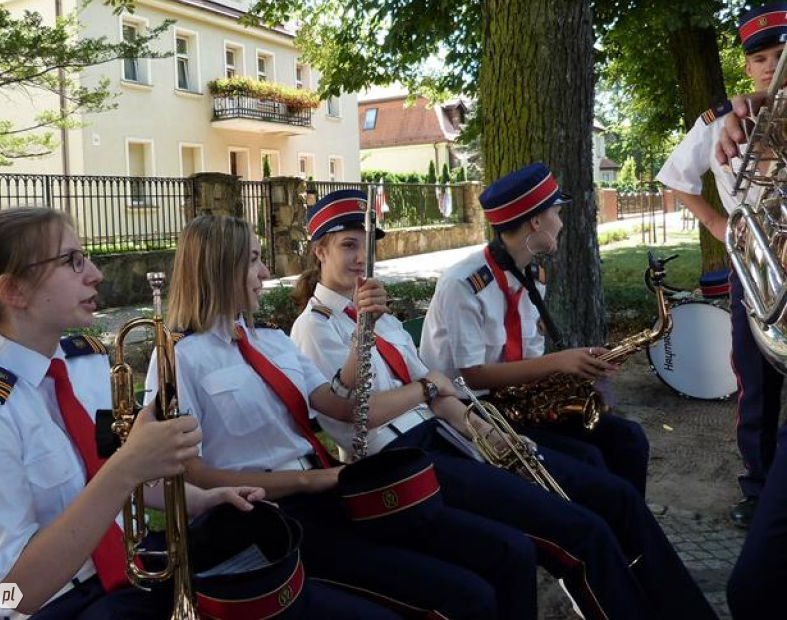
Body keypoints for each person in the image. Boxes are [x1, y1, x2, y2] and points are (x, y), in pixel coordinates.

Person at [0, 206, 391, 620]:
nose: (96, 274)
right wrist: (129, 465)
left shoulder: (86, 362)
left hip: (138, 572)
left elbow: (124, 475)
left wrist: (204, 498)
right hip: (70, 605)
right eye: (72, 262)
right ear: (15, 292)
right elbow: (16, 590)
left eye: (86, 257)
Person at [291, 188, 717, 620]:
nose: (362, 257)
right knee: (581, 531)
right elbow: (359, 417)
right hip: (401, 466)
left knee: (608, 498)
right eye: (348, 245)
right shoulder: (314, 328)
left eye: (367, 245)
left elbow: (442, 395)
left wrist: (492, 436)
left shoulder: (386, 319)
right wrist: (429, 390)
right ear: (319, 251)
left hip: (448, 436)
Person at [147, 213, 539, 620]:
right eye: (252, 260)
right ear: (218, 267)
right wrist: (308, 479)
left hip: (332, 491)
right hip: (273, 519)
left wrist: (362, 334)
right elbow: (191, 474)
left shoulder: (271, 341)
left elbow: (339, 403)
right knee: (464, 597)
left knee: (501, 554)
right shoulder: (178, 356)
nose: (264, 272)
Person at [420, 163, 651, 495]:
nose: (560, 223)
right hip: (471, 413)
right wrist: (560, 362)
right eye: (556, 213)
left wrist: (574, 379)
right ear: (536, 221)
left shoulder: (532, 277)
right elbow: (474, 376)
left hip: (514, 403)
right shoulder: (463, 284)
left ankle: (627, 536)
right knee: (590, 462)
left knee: (630, 440)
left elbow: (526, 360)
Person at [657, 1, 787, 528]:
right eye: (761, 59)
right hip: (756, 266)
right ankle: (760, 487)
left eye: (781, 56)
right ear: (748, 67)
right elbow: (674, 180)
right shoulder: (717, 122)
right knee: (755, 380)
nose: (770, 67)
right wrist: (718, 227)